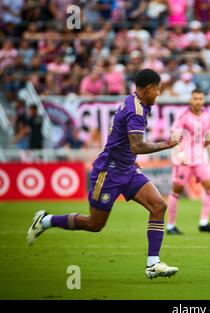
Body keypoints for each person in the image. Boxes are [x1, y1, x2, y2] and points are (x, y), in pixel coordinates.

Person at [27, 69, 183, 280]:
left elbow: (124, 142)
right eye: (157, 89)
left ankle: (153, 263)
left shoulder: (135, 102)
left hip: (127, 168)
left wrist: (129, 158)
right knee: (95, 224)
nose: (158, 93)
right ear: (148, 88)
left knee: (158, 206)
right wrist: (168, 144)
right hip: (108, 173)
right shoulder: (135, 110)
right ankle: (46, 221)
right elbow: (136, 145)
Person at [166, 89, 210, 235]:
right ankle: (170, 226)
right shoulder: (183, 116)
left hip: (199, 158)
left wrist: (208, 141)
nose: (198, 101)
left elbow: (202, 139)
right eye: (195, 98)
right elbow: (175, 135)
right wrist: (179, 152)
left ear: (203, 100)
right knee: (177, 190)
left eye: (200, 98)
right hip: (183, 159)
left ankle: (204, 222)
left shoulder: (207, 116)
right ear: (190, 100)